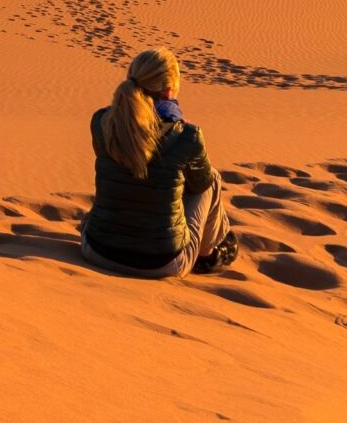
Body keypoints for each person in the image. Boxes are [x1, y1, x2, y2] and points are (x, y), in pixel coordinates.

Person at [80, 47, 236, 278]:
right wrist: (183, 138)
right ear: (169, 90)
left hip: (96, 250)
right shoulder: (187, 136)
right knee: (212, 178)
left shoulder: (101, 123)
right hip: (161, 263)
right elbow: (200, 184)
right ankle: (207, 255)